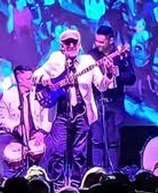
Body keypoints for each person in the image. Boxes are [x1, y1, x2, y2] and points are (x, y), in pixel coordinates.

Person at [33, 29, 111, 183]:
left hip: (82, 114)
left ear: (79, 44)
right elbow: (36, 75)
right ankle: (57, 186)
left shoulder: (88, 61)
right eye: (67, 43)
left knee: (79, 154)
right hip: (60, 114)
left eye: (74, 42)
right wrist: (45, 79)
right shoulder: (55, 59)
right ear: (61, 45)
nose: (71, 45)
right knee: (58, 152)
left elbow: (102, 86)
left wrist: (108, 74)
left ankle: (76, 185)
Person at [87, 25, 135, 170]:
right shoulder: (91, 56)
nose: (97, 44)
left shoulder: (121, 55)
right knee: (97, 140)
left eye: (101, 42)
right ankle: (97, 171)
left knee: (114, 140)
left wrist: (117, 74)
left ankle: (113, 171)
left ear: (111, 40)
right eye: (96, 41)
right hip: (97, 102)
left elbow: (131, 78)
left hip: (115, 103)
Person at [0, 65, 53, 176]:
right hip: (14, 134)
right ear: (20, 80)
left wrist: (42, 132)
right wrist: (15, 128)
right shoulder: (8, 95)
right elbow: (3, 119)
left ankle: (42, 176)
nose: (33, 81)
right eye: (29, 79)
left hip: (35, 132)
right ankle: (9, 177)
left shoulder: (39, 93)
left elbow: (47, 114)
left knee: (50, 144)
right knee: (3, 145)